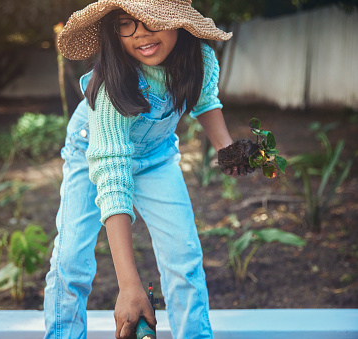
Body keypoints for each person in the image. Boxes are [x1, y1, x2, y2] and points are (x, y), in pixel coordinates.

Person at [44, 1, 253, 338]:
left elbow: (205, 100)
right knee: (71, 261)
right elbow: (112, 177)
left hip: (155, 156)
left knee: (185, 261)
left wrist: (227, 149)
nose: (140, 31)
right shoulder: (111, 86)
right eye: (127, 23)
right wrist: (129, 287)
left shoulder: (199, 59)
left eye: (151, 20)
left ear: (179, 23)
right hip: (93, 153)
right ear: (115, 32)